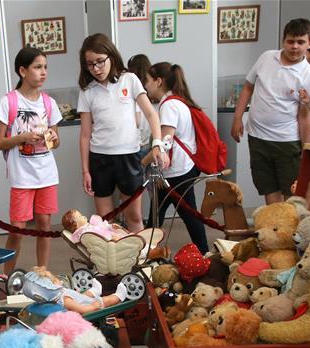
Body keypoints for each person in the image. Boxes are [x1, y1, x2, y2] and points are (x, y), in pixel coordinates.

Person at [77, 33, 168, 233]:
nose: (96, 69)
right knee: (104, 223)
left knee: (134, 217)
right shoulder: (87, 91)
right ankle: (110, 263)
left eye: (100, 61)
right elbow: (85, 134)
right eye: (90, 64)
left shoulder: (129, 79)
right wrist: (85, 170)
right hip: (100, 158)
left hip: (128, 156)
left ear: (111, 56)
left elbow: (152, 115)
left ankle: (139, 261)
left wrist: (157, 144)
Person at [231, 19, 310, 204]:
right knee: (267, 186)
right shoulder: (266, 57)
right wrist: (237, 118)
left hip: (286, 141)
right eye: (290, 41)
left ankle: (288, 232)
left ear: (309, 43)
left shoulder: (308, 75)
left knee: (290, 190)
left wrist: (306, 149)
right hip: (257, 136)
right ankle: (273, 229)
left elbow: (305, 116)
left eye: (300, 42)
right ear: (283, 41)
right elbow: (248, 87)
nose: (294, 47)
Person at [0, 47, 62, 275]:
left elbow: (56, 142)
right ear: (22, 71)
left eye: (45, 67)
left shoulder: (49, 103)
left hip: (47, 173)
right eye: (37, 67)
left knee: (44, 226)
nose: (43, 73)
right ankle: (6, 276)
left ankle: (43, 272)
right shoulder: (9, 101)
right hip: (22, 176)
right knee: (17, 229)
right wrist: (22, 138)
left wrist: (52, 137)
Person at [144, 62, 210, 253]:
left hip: (176, 171)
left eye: (148, 81)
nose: (146, 86)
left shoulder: (169, 105)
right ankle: (149, 252)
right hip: (179, 169)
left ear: (158, 81)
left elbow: (165, 143)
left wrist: (144, 161)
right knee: (157, 215)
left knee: (187, 215)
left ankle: (204, 253)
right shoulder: (178, 102)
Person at [127, 54, 153, 163]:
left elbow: (136, 122)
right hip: (148, 143)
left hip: (138, 145)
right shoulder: (150, 93)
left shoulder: (135, 92)